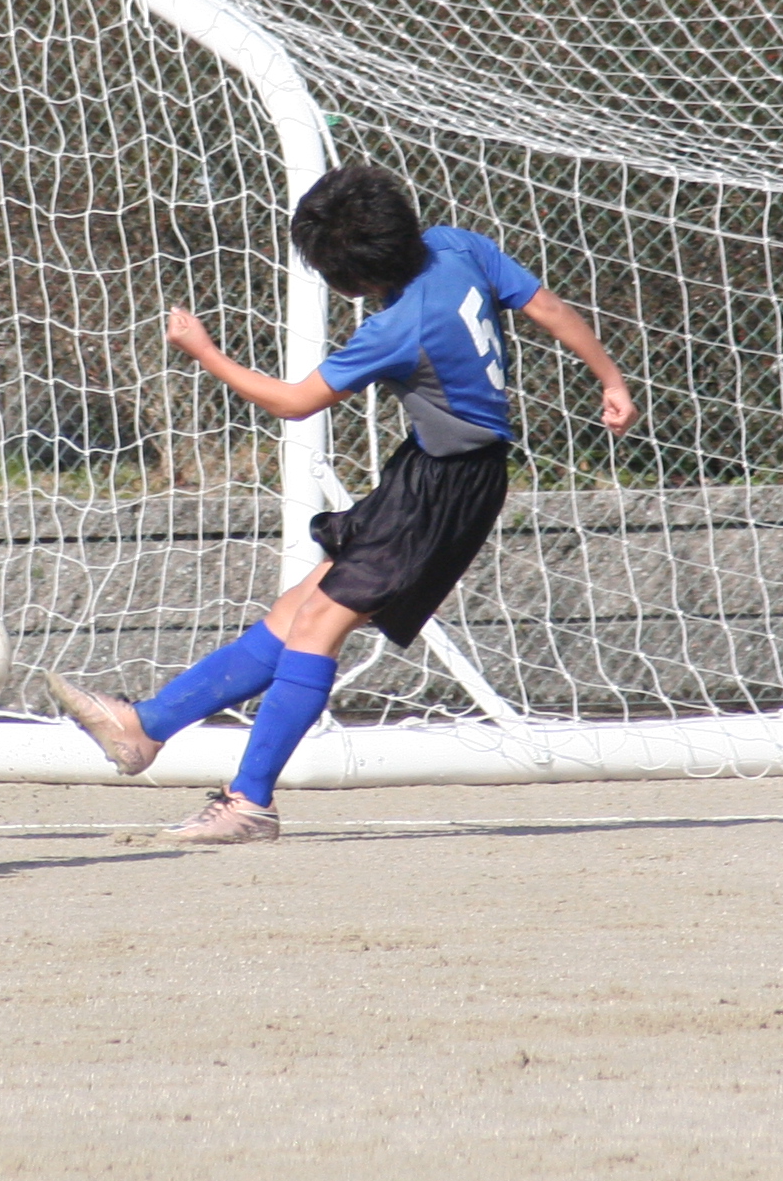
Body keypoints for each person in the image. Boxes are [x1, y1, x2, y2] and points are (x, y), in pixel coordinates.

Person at [48, 162, 634, 844]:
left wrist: (204, 351)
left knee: (318, 624)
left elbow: (294, 402)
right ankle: (147, 727)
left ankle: (249, 803)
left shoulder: (398, 327)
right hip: (433, 473)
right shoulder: (458, 245)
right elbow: (549, 309)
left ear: (349, 281)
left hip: (446, 490)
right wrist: (611, 379)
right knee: (293, 612)